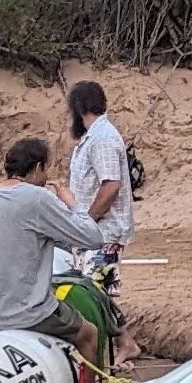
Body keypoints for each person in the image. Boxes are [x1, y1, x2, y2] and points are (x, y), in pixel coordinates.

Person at [0, 136, 109, 350]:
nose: (46, 178)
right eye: (46, 170)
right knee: (89, 335)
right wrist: (71, 202)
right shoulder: (38, 198)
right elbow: (93, 238)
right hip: (31, 317)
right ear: (37, 168)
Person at [62, 80, 132, 259]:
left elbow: (111, 186)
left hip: (103, 234)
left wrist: (87, 222)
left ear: (79, 109)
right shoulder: (95, 136)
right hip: (96, 234)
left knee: (95, 279)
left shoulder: (102, 138)